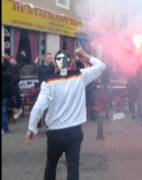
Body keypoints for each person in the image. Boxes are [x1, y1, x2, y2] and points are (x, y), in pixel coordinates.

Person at [25, 48, 106, 180]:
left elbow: (38, 108)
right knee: (73, 168)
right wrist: (85, 55)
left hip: (55, 133)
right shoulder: (80, 76)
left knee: (51, 166)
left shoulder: (48, 82)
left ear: (55, 64)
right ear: (70, 62)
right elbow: (101, 66)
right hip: (74, 132)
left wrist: (31, 129)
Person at [2, 55, 14, 134]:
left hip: (4, 93)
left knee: (3, 111)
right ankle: (5, 128)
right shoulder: (7, 67)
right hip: (5, 93)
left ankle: (5, 128)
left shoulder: (7, 67)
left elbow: (8, 75)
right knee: (3, 111)